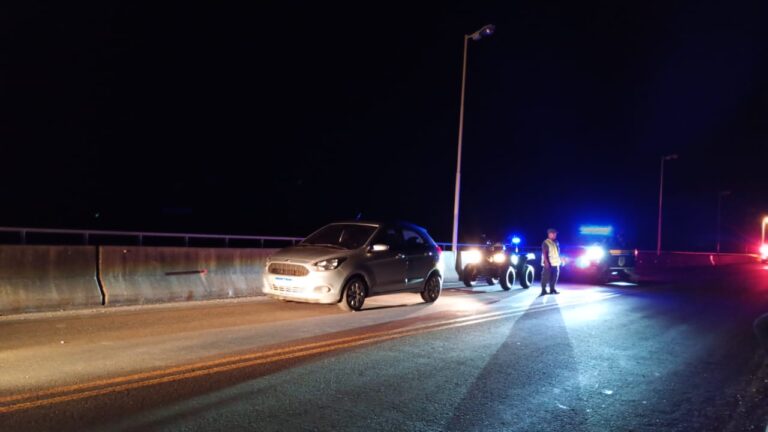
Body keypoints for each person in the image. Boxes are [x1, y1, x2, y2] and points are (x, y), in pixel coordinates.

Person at [541, 228, 562, 296]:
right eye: (553, 233)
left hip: (556, 263)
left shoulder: (556, 242)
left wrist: (560, 260)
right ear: (549, 234)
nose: (555, 235)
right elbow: (544, 253)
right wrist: (546, 262)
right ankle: (543, 290)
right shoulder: (546, 242)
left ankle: (552, 289)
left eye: (555, 233)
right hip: (549, 264)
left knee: (554, 277)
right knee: (546, 277)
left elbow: (557, 253)